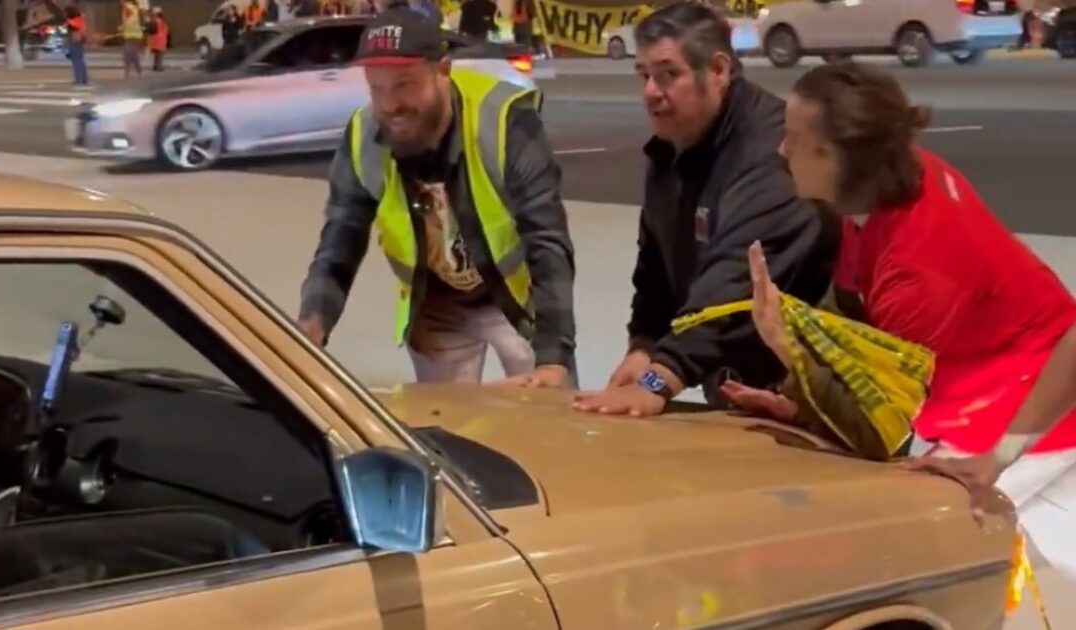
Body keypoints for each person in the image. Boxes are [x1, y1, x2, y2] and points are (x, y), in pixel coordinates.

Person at [746, 61, 1076, 590]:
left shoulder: (916, 275)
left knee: (922, 553)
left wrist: (789, 350)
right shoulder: (895, 180)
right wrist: (796, 394)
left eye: (795, 139)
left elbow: (879, 425)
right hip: (1001, 401)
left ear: (835, 158)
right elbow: (854, 323)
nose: (781, 150)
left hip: (1024, 415)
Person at [572, 2, 840, 417]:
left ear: (718, 70)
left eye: (668, 74)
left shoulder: (772, 152)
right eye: (643, 75)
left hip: (816, 396)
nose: (650, 91)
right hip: (735, 382)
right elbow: (656, 264)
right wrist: (645, 344)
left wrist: (660, 377)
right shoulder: (672, 147)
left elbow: (734, 282)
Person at [297, 8, 578, 388]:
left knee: (547, 407)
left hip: (516, 299)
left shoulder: (502, 120)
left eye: (404, 84)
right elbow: (339, 242)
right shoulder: (365, 136)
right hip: (436, 305)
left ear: (443, 70)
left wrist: (554, 358)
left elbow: (546, 237)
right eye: (376, 88)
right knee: (446, 420)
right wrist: (312, 325)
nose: (390, 105)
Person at [64, 5, 89, 86]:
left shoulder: (73, 21)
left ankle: (79, 79)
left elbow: (72, 28)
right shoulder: (80, 18)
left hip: (75, 41)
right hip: (79, 40)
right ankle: (84, 79)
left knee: (76, 61)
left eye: (66, 12)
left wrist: (67, 23)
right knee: (80, 60)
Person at [119, 0, 144, 79]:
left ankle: (129, 71)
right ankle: (138, 71)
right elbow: (130, 21)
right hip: (134, 36)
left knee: (128, 54)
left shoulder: (128, 8)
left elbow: (129, 21)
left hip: (131, 36)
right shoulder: (131, 8)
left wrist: (122, 28)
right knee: (134, 55)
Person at [146, 7, 169, 72]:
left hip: (153, 39)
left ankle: (155, 66)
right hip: (161, 39)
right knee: (160, 55)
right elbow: (165, 30)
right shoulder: (161, 21)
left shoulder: (153, 21)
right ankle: (159, 67)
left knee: (156, 55)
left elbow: (149, 30)